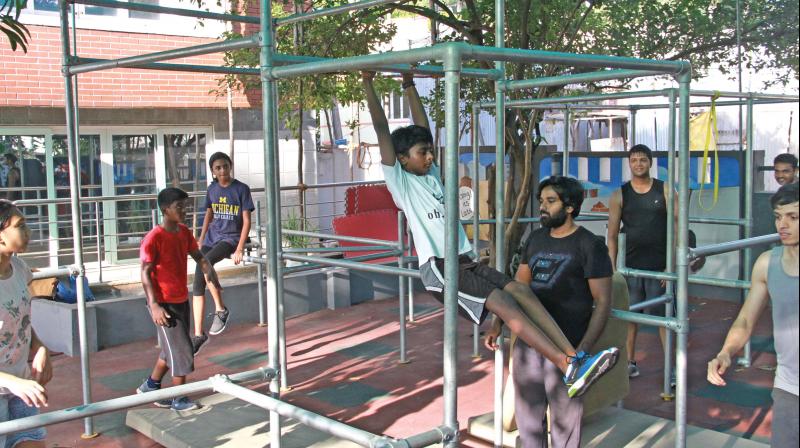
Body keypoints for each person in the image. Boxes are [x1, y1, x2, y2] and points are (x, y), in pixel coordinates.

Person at [363, 72, 618, 398]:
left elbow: (424, 127)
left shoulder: (432, 176)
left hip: (465, 260)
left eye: (429, 151)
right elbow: (383, 131)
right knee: (507, 307)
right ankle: (567, 366)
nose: (429, 157)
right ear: (401, 159)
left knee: (522, 293)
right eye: (421, 153)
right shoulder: (402, 182)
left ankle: (574, 357)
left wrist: (410, 83)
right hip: (441, 268)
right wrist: (369, 83)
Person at [512, 176, 614, 446]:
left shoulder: (590, 245)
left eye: (551, 201)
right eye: (541, 201)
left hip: (567, 346)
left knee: (565, 427)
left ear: (570, 207)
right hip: (529, 344)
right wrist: (500, 325)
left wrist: (581, 351)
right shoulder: (534, 239)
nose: (543, 207)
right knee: (528, 423)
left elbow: (603, 302)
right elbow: (518, 288)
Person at [707, 182, 798, 447]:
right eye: (779, 217)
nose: (783, 225)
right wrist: (726, 351)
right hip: (789, 387)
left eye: (793, 217)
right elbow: (745, 320)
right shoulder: (767, 263)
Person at [137, 187, 221, 411]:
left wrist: (209, 271)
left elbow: (198, 257)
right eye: (179, 206)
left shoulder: (183, 233)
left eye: (186, 206)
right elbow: (145, 272)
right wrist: (154, 305)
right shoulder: (153, 238)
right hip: (163, 303)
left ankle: (151, 386)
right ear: (165, 210)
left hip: (180, 298)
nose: (184, 210)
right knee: (182, 350)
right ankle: (179, 398)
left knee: (171, 349)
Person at [607, 144, 679, 379]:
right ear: (630, 164)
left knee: (664, 318)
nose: (638, 164)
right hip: (630, 267)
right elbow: (612, 234)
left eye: (643, 160)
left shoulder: (666, 190)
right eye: (634, 160)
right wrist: (614, 269)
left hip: (660, 269)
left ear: (650, 163)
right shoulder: (620, 194)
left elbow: (677, 229)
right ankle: (629, 361)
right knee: (630, 316)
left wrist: (671, 266)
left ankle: (672, 369)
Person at [0, 200, 52, 447]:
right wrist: (12, 382)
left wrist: (39, 347)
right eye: (20, 225)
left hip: (21, 386)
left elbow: (18, 322)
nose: (28, 231)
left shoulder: (20, 268)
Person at [191, 152, 254, 354]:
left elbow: (246, 221)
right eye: (218, 168)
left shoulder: (241, 189)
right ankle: (199, 335)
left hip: (230, 238)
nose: (222, 171)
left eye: (225, 166)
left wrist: (239, 247)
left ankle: (221, 309)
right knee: (197, 280)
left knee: (206, 262)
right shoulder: (211, 189)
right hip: (212, 237)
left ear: (230, 166)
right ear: (213, 171)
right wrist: (201, 238)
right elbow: (208, 214)